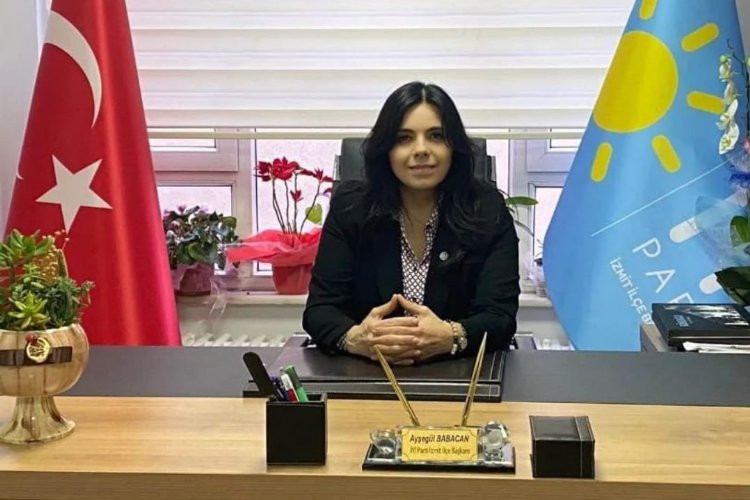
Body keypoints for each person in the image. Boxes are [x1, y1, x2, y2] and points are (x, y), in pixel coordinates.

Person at [303, 81, 520, 364]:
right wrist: (357, 339)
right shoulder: (351, 208)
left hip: (458, 373)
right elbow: (320, 310)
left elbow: (500, 317)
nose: (421, 150)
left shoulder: (486, 209)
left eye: (436, 136)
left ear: (453, 146)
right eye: (404, 138)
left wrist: (451, 335)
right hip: (367, 373)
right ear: (386, 149)